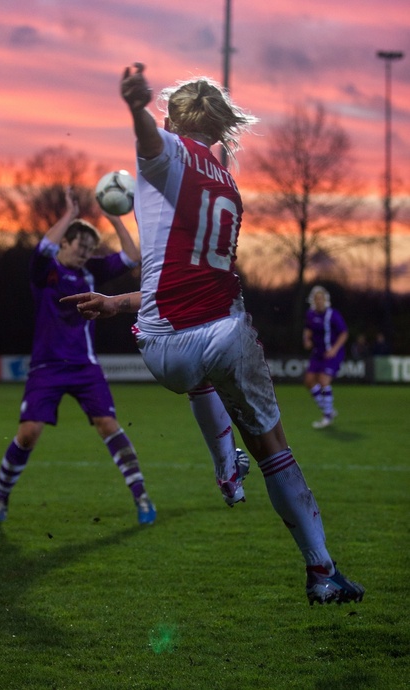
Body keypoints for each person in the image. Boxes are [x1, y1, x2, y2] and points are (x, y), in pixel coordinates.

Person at [62, 63, 364, 606]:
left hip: (158, 344)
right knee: (274, 449)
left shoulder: (169, 152)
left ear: (175, 122)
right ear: (217, 126)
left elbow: (151, 146)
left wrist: (134, 108)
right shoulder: (227, 184)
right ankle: (321, 571)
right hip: (222, 335)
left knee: (197, 360)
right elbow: (190, 273)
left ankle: (226, 468)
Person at [0, 187, 156, 526]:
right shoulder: (44, 271)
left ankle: (142, 497)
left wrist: (113, 217)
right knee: (29, 432)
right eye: (80, 247)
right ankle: (0, 499)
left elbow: (132, 256)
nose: (85, 253)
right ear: (65, 243)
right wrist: (68, 214)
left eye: (90, 249)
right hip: (46, 367)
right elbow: (44, 247)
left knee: (108, 424)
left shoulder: (90, 273)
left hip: (84, 367)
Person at [303, 286, 348, 429]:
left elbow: (344, 333)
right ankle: (329, 410)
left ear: (326, 300)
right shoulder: (310, 314)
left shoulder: (332, 314)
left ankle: (327, 417)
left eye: (321, 298)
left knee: (323, 380)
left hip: (332, 353)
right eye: (316, 299)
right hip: (318, 353)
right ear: (313, 301)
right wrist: (307, 340)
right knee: (309, 381)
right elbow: (308, 329)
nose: (319, 301)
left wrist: (334, 349)